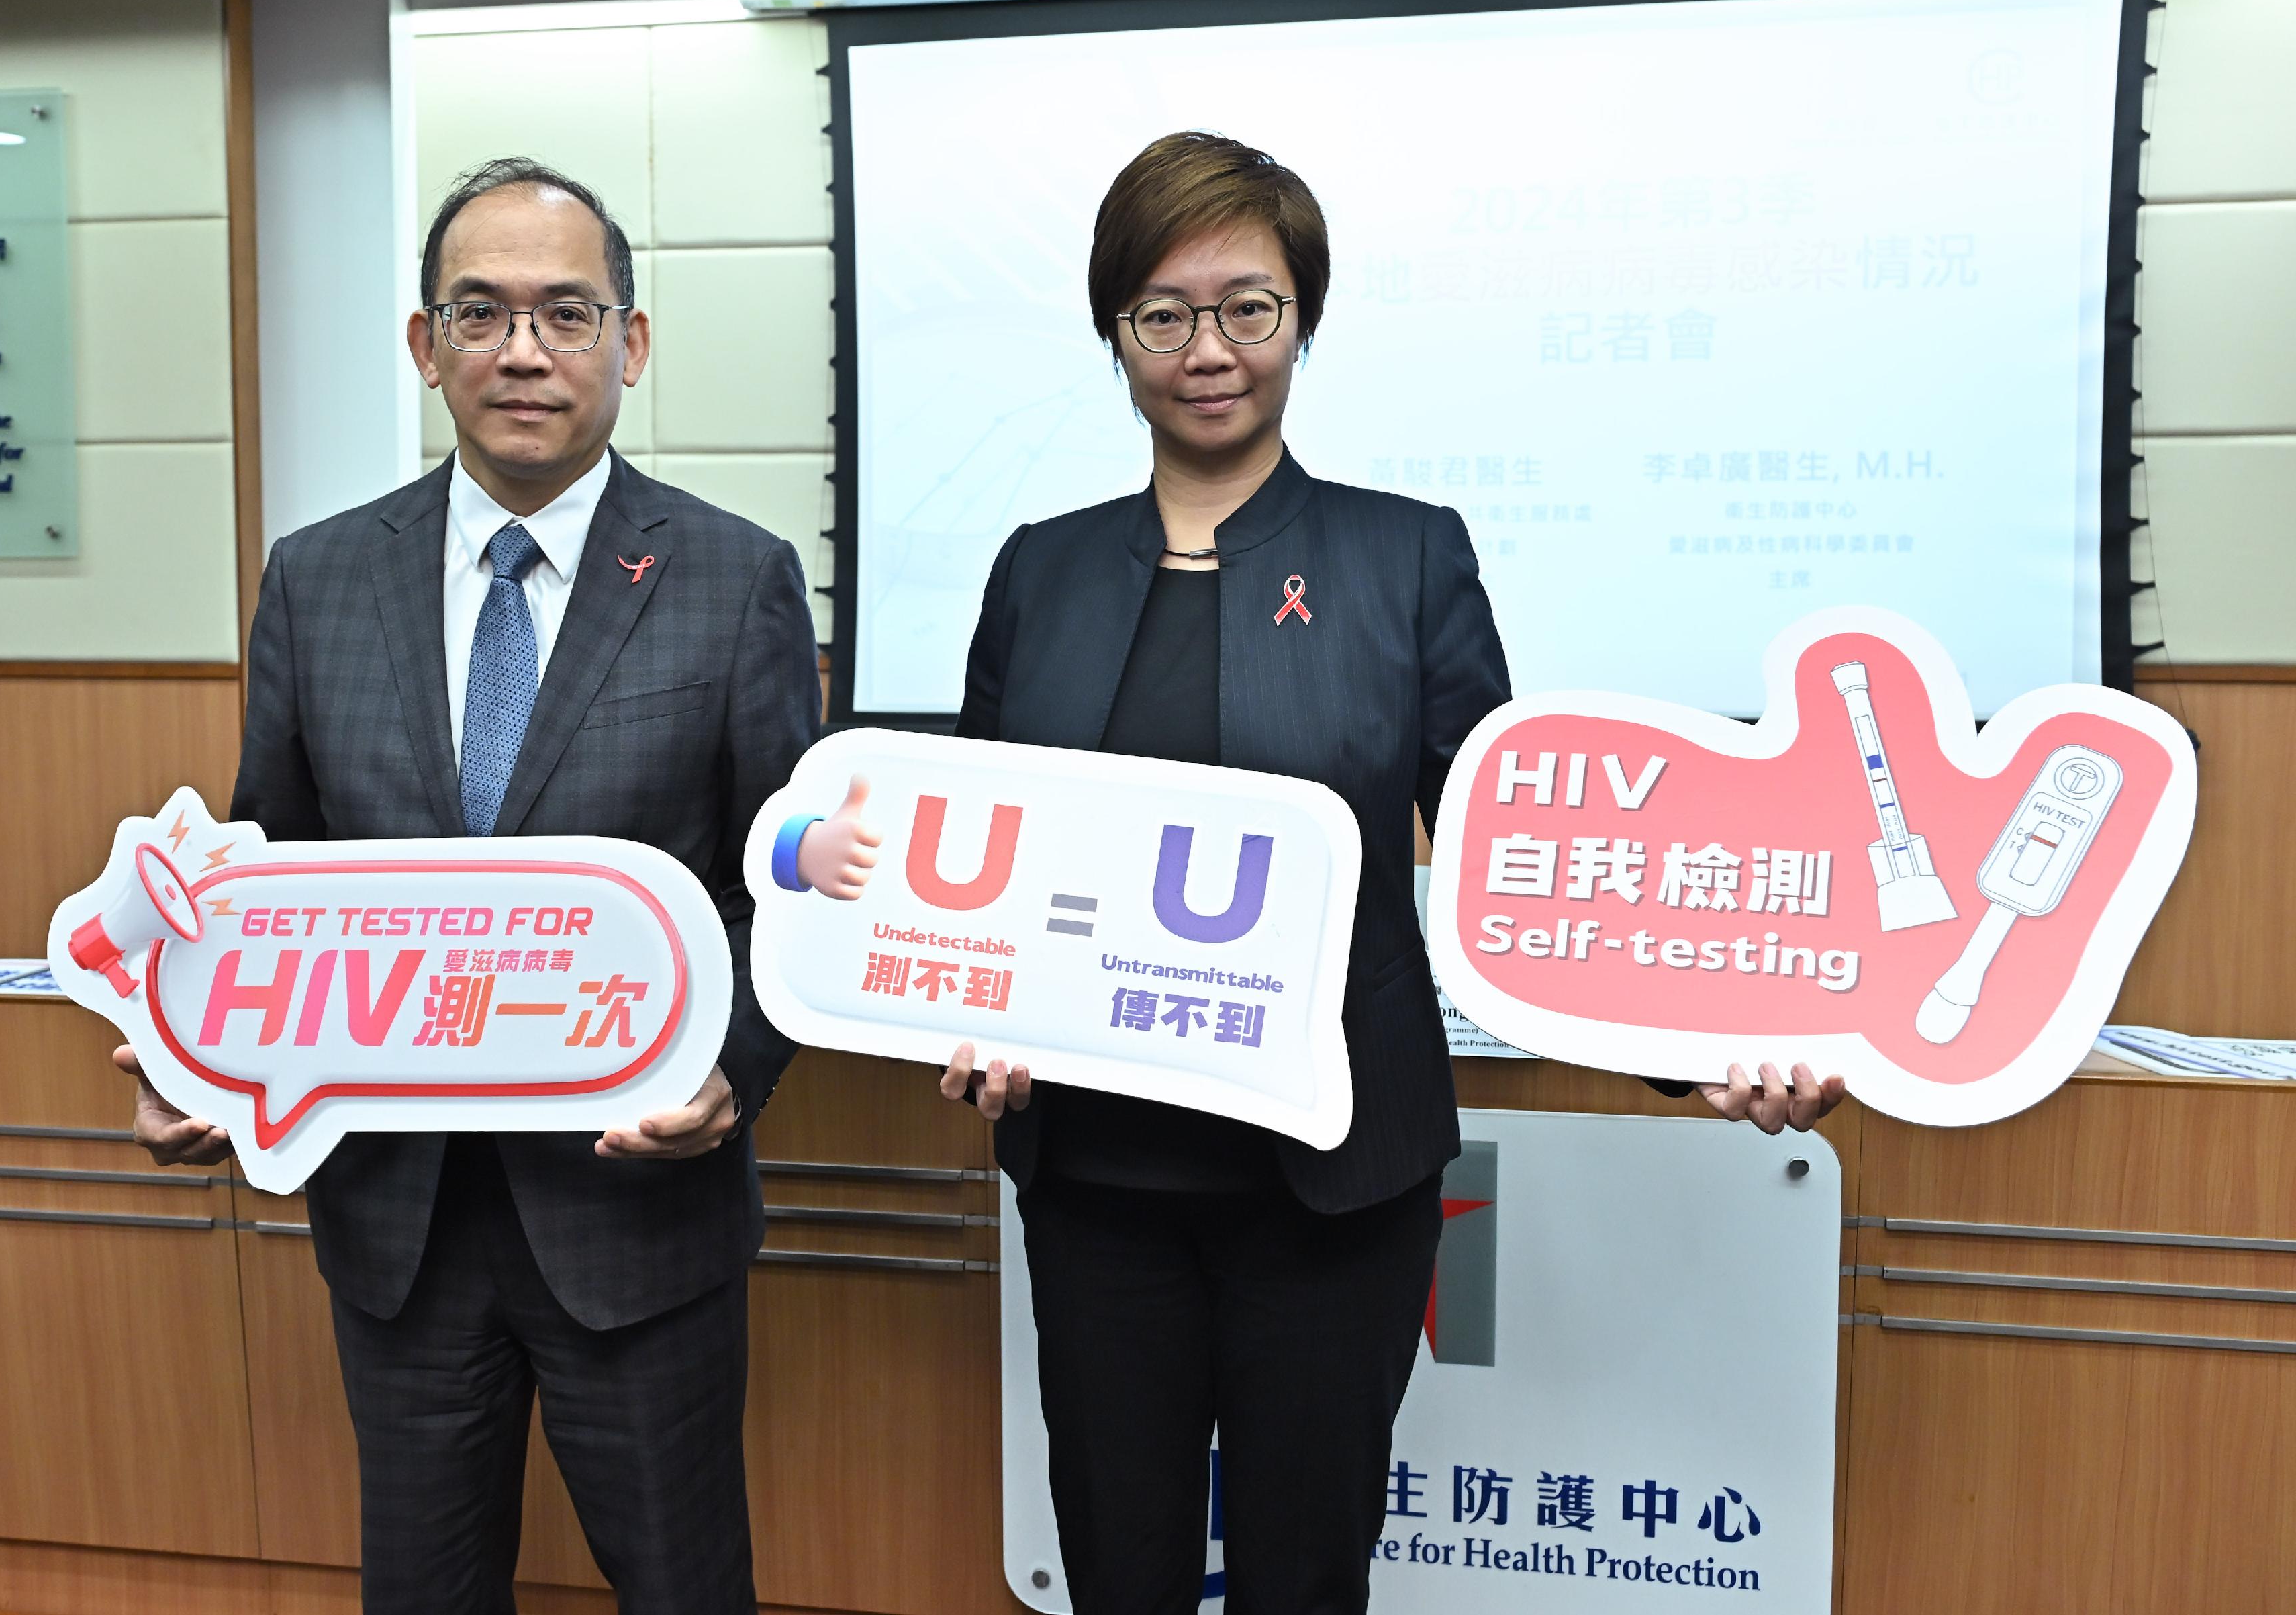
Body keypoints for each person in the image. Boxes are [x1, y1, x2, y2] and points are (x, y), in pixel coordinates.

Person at [813, 132, 1846, 1615]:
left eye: (1248, 305)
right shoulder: (1039, 568)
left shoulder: (1402, 557)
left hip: (1332, 1187)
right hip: (1099, 1180)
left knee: (1304, 1579)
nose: (1207, 349)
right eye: (1161, 312)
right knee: (1119, 1573)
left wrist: (1701, 1056)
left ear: (1303, 317)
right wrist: (966, 1021)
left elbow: (1518, 869)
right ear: (1114, 332)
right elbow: (981, 857)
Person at [115, 157, 824, 1615]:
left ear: (629, 344)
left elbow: (788, 886)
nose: (520, 350)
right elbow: (269, 875)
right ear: (423, 344)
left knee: (686, 1589)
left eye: (564, 313)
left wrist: (733, 1080)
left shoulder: (731, 578)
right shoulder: (317, 580)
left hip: (637, 1206)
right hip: (400, 1214)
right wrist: (200, 1060)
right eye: (479, 311)